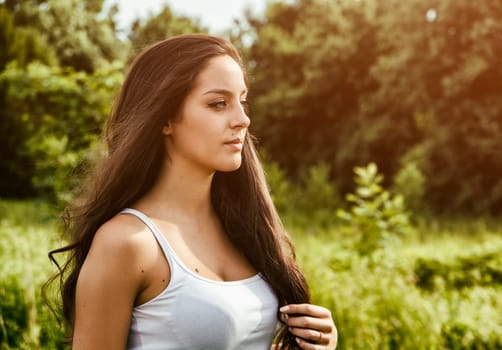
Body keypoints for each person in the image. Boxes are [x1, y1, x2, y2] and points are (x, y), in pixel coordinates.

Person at [47, 34, 338, 350]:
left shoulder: (246, 231)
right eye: (218, 104)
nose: (243, 119)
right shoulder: (127, 244)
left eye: (242, 101)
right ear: (166, 119)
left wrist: (315, 344)